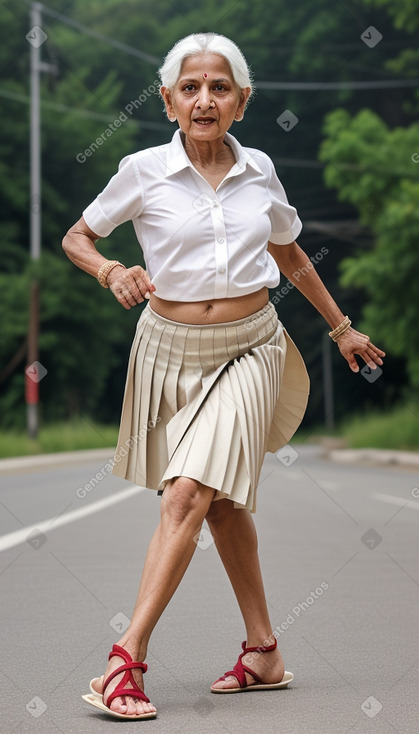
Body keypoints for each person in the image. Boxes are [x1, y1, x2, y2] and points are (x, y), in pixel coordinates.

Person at [62, 32, 385, 721]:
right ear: (168, 101)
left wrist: (340, 327)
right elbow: (77, 237)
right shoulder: (142, 170)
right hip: (166, 349)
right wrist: (112, 270)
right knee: (224, 503)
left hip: (250, 347)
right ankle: (263, 651)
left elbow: (288, 252)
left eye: (218, 87)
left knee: (185, 495)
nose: (203, 99)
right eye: (189, 87)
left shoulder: (259, 169)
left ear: (241, 100)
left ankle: (126, 659)